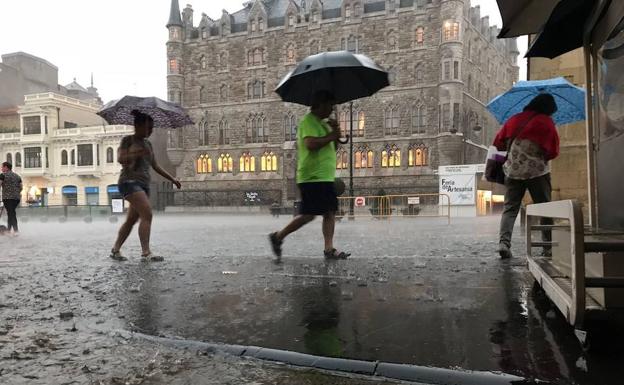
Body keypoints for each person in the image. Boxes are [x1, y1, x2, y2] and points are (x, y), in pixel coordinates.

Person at [269, 91, 351, 262]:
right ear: (320, 104)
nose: (331, 110)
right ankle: (278, 237)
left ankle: (329, 249)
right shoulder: (308, 121)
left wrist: (335, 132)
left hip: (325, 176)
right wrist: (331, 136)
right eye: (329, 106)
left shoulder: (324, 124)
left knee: (329, 212)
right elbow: (310, 144)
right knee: (309, 215)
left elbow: (332, 147)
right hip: (312, 177)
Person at [493, 94, 560, 259]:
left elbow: (498, 142)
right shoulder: (546, 122)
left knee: (510, 209)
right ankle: (547, 247)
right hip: (538, 172)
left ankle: (504, 243)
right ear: (548, 109)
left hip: (513, 171)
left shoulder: (514, 120)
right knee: (545, 208)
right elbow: (553, 151)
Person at [109, 110, 181, 262]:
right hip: (129, 182)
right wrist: (135, 154)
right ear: (138, 126)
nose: (150, 131)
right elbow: (121, 159)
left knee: (131, 220)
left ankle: (115, 250)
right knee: (147, 213)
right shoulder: (128, 141)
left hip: (143, 184)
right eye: (148, 128)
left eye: (152, 128)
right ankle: (146, 253)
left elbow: (155, 165)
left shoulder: (148, 144)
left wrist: (172, 179)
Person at [0, 161, 23, 235]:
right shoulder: (17, 176)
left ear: (6, 167)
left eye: (2, 167)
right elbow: (21, 187)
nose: (1, 168)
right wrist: (16, 192)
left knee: (11, 213)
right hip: (16, 198)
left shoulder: (2, 175)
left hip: (7, 198)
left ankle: (16, 231)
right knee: (11, 213)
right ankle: (9, 230)